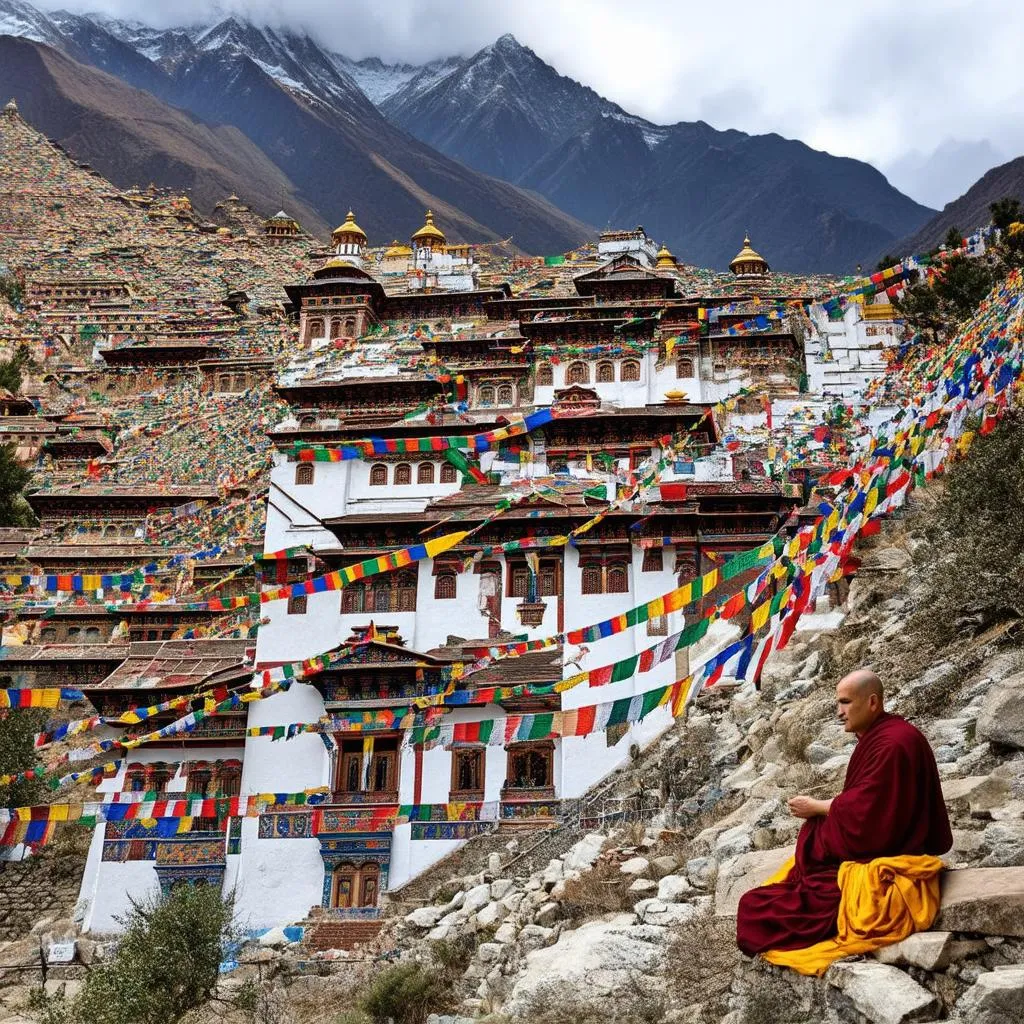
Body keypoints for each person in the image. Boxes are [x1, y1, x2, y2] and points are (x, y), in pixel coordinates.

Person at [736, 668, 952, 956]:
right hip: (879, 846)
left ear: (873, 702)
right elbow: (871, 801)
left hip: (883, 854)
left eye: (846, 703)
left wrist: (817, 807)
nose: (839, 712)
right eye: (838, 703)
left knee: (756, 910)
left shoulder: (893, 744)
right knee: (766, 898)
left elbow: (869, 819)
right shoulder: (886, 736)